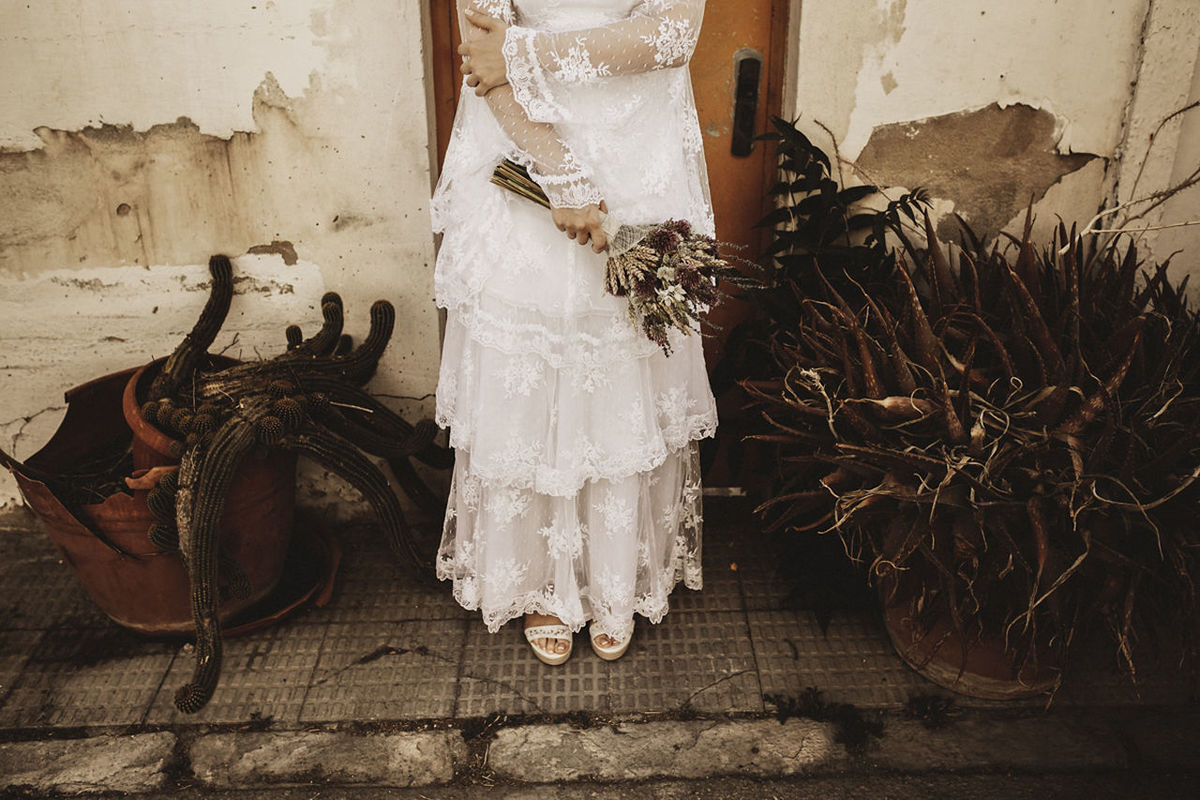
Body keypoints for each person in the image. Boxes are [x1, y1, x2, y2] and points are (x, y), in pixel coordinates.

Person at [431, 0, 717, 665]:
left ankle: (614, 581)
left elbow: (674, 34)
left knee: (618, 361)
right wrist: (560, 174)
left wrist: (522, 52)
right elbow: (482, 50)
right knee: (531, 367)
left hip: (634, 153)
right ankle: (541, 583)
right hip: (523, 148)